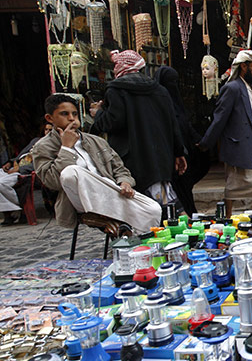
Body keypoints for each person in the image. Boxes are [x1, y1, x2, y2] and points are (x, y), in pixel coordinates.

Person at [32, 94, 162, 235]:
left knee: (153, 209)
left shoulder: (96, 141)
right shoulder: (42, 147)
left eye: (74, 114)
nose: (71, 118)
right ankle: (101, 216)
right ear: (49, 118)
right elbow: (52, 182)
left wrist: (125, 182)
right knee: (71, 172)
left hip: (110, 191)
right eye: (64, 114)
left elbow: (119, 168)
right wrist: (66, 149)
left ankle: (132, 240)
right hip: (79, 202)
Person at [89, 50, 187, 208]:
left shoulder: (116, 91)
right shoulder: (159, 90)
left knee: (136, 205)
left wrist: (98, 113)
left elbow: (113, 122)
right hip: (160, 158)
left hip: (131, 159)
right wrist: (178, 152)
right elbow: (172, 123)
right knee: (163, 205)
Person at [198, 50, 252, 218]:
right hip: (237, 145)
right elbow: (220, 118)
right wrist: (205, 143)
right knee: (233, 185)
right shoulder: (232, 88)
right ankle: (228, 218)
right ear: (243, 67)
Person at [155, 66, 210, 216]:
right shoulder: (159, 102)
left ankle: (190, 215)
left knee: (185, 188)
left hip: (183, 153)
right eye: (170, 81)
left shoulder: (174, 102)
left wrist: (198, 141)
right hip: (172, 155)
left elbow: (185, 124)